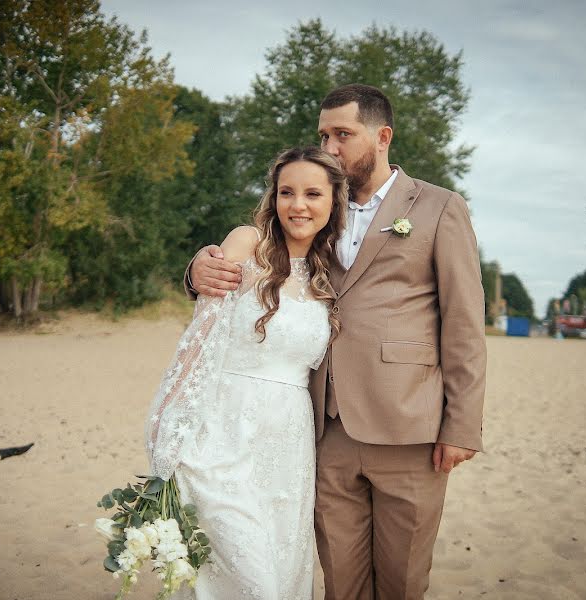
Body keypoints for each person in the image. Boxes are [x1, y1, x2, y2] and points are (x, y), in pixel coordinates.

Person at [187, 84, 486, 599]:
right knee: (338, 582)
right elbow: (259, 259)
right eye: (323, 134)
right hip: (324, 427)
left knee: (401, 581)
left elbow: (464, 322)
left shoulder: (438, 207)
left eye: (342, 135)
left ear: (382, 136)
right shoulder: (318, 205)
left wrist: (461, 425)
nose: (329, 147)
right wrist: (196, 271)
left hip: (409, 426)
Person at [147, 147, 348, 598]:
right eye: (286, 192)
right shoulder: (245, 244)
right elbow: (197, 345)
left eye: (313, 194)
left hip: (290, 447)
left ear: (334, 203)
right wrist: (166, 432)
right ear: (273, 198)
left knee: (277, 573)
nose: (298, 205)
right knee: (244, 574)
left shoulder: (330, 272)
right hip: (221, 432)